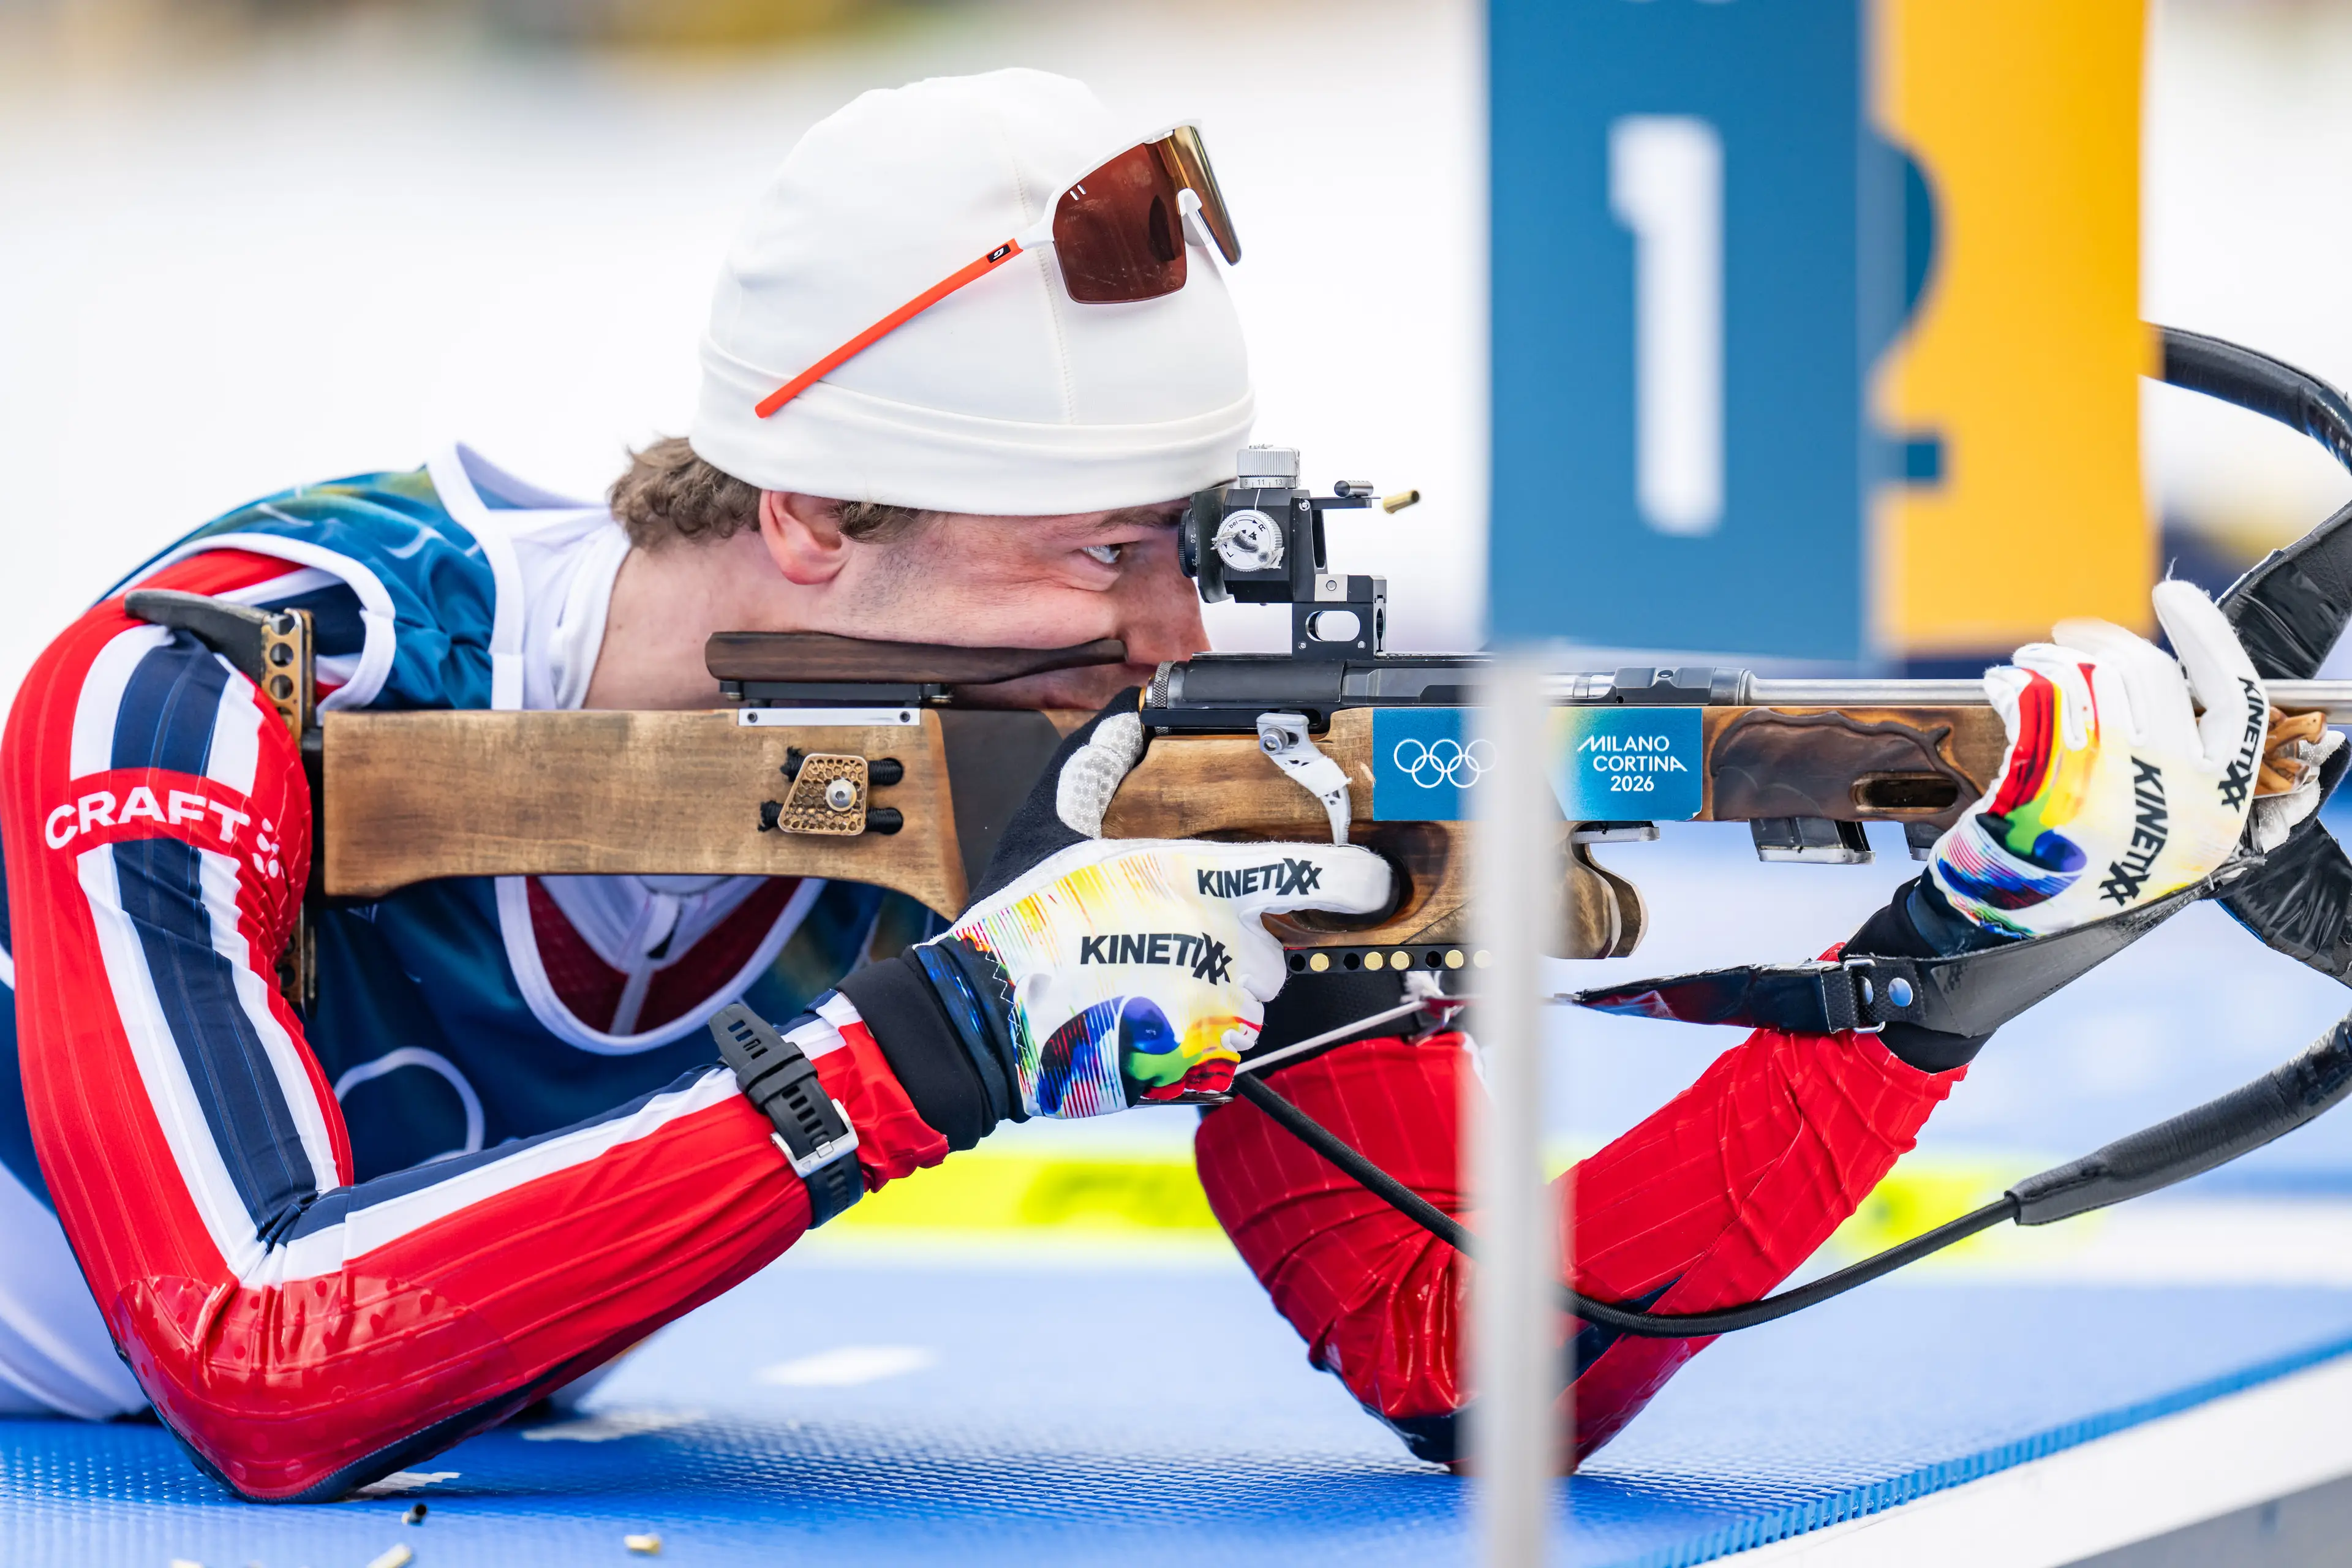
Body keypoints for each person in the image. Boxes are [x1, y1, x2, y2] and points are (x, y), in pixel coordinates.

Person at [0, 68, 2301, 1501]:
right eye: (1097, 554)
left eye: (1196, 542)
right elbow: (255, 1368)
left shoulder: (1100, 756)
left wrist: (1949, 967)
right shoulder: (226, 682)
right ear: (808, 519)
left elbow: (1476, 1354)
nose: (1173, 635)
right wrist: (935, 1056)